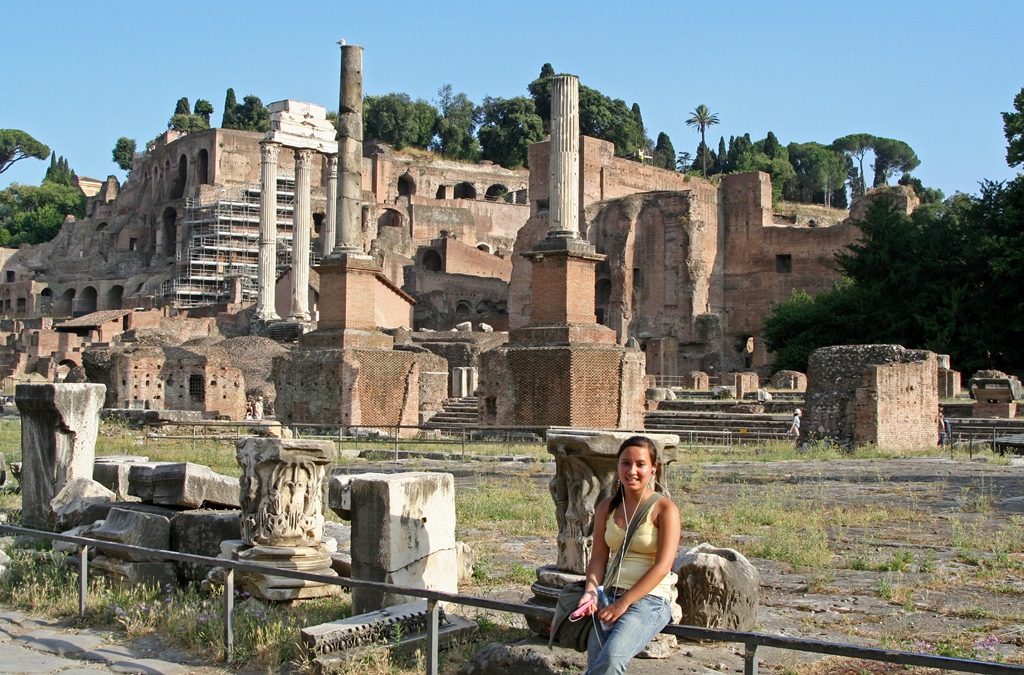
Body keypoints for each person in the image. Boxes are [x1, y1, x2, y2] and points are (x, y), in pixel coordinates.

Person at [574, 436, 680, 674]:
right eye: (625, 463)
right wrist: (591, 592)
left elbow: (663, 566)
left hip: (649, 601)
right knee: (597, 663)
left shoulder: (665, 509)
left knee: (611, 660)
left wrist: (624, 603)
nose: (632, 471)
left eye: (640, 464)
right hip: (609, 595)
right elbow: (599, 558)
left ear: (653, 468)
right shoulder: (607, 507)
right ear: (618, 466)